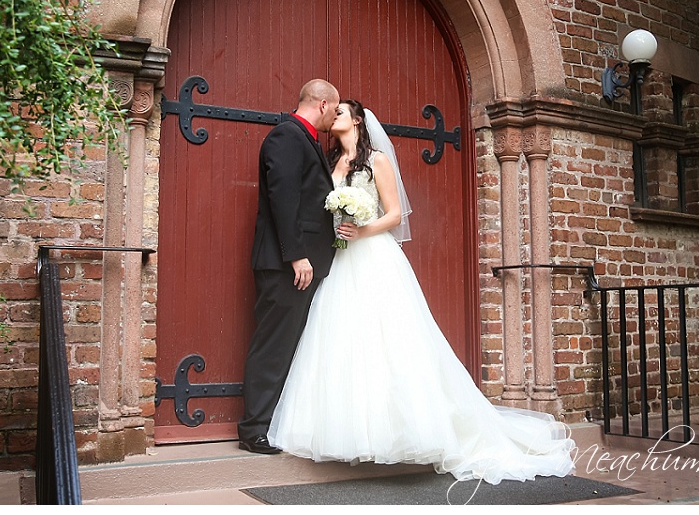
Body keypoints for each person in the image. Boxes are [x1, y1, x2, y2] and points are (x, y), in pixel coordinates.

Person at [267, 100, 576, 483]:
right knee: (343, 341)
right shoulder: (329, 161)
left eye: (343, 112)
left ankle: (405, 431)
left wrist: (361, 229)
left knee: (391, 342)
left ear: (358, 120)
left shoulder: (377, 160)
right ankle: (348, 430)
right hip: (340, 259)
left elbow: (395, 214)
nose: (335, 118)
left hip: (372, 256)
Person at [238, 79, 341, 454]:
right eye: (335, 108)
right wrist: (296, 255)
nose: (335, 116)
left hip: (297, 264)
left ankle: (269, 423)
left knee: (287, 344)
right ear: (324, 103)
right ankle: (253, 430)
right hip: (285, 266)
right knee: (273, 345)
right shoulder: (287, 136)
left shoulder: (305, 139)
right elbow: (283, 198)